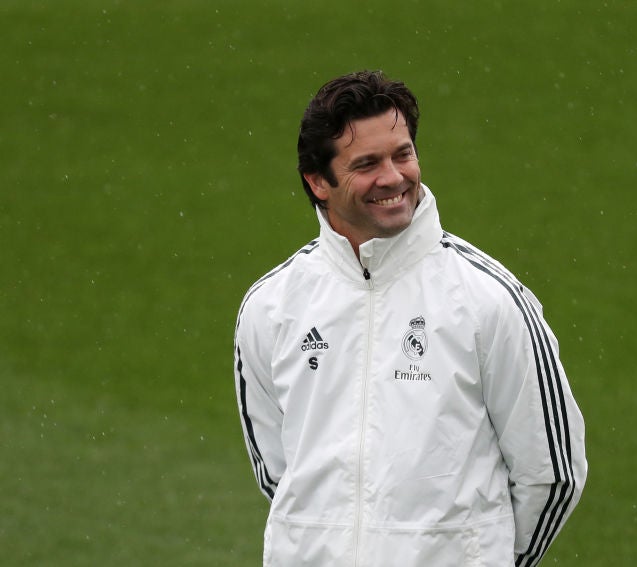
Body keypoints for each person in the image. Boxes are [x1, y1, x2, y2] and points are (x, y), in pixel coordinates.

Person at [233, 70, 587, 566]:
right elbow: (279, 472)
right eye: (367, 163)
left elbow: (552, 473)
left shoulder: (489, 299)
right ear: (318, 182)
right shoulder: (271, 307)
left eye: (403, 154)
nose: (394, 177)